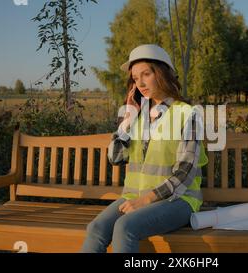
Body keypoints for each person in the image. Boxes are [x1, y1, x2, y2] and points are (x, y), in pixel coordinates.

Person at [81, 44, 208, 253]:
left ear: (162, 73)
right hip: (134, 197)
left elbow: (184, 172)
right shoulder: (138, 115)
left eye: (146, 74)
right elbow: (115, 158)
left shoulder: (187, 113)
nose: (139, 83)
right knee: (96, 228)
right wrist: (127, 121)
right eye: (135, 78)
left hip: (178, 200)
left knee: (125, 226)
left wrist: (146, 199)